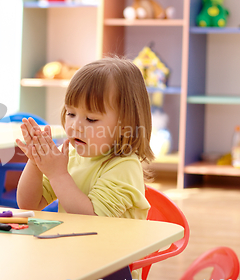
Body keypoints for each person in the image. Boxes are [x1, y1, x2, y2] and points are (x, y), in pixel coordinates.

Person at [16, 56, 154, 219]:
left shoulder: (125, 167)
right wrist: (36, 162)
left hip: (117, 245)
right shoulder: (68, 157)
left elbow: (92, 220)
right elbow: (29, 204)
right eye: (71, 113)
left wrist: (58, 175)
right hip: (75, 243)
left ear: (125, 125)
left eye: (91, 119)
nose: (75, 126)